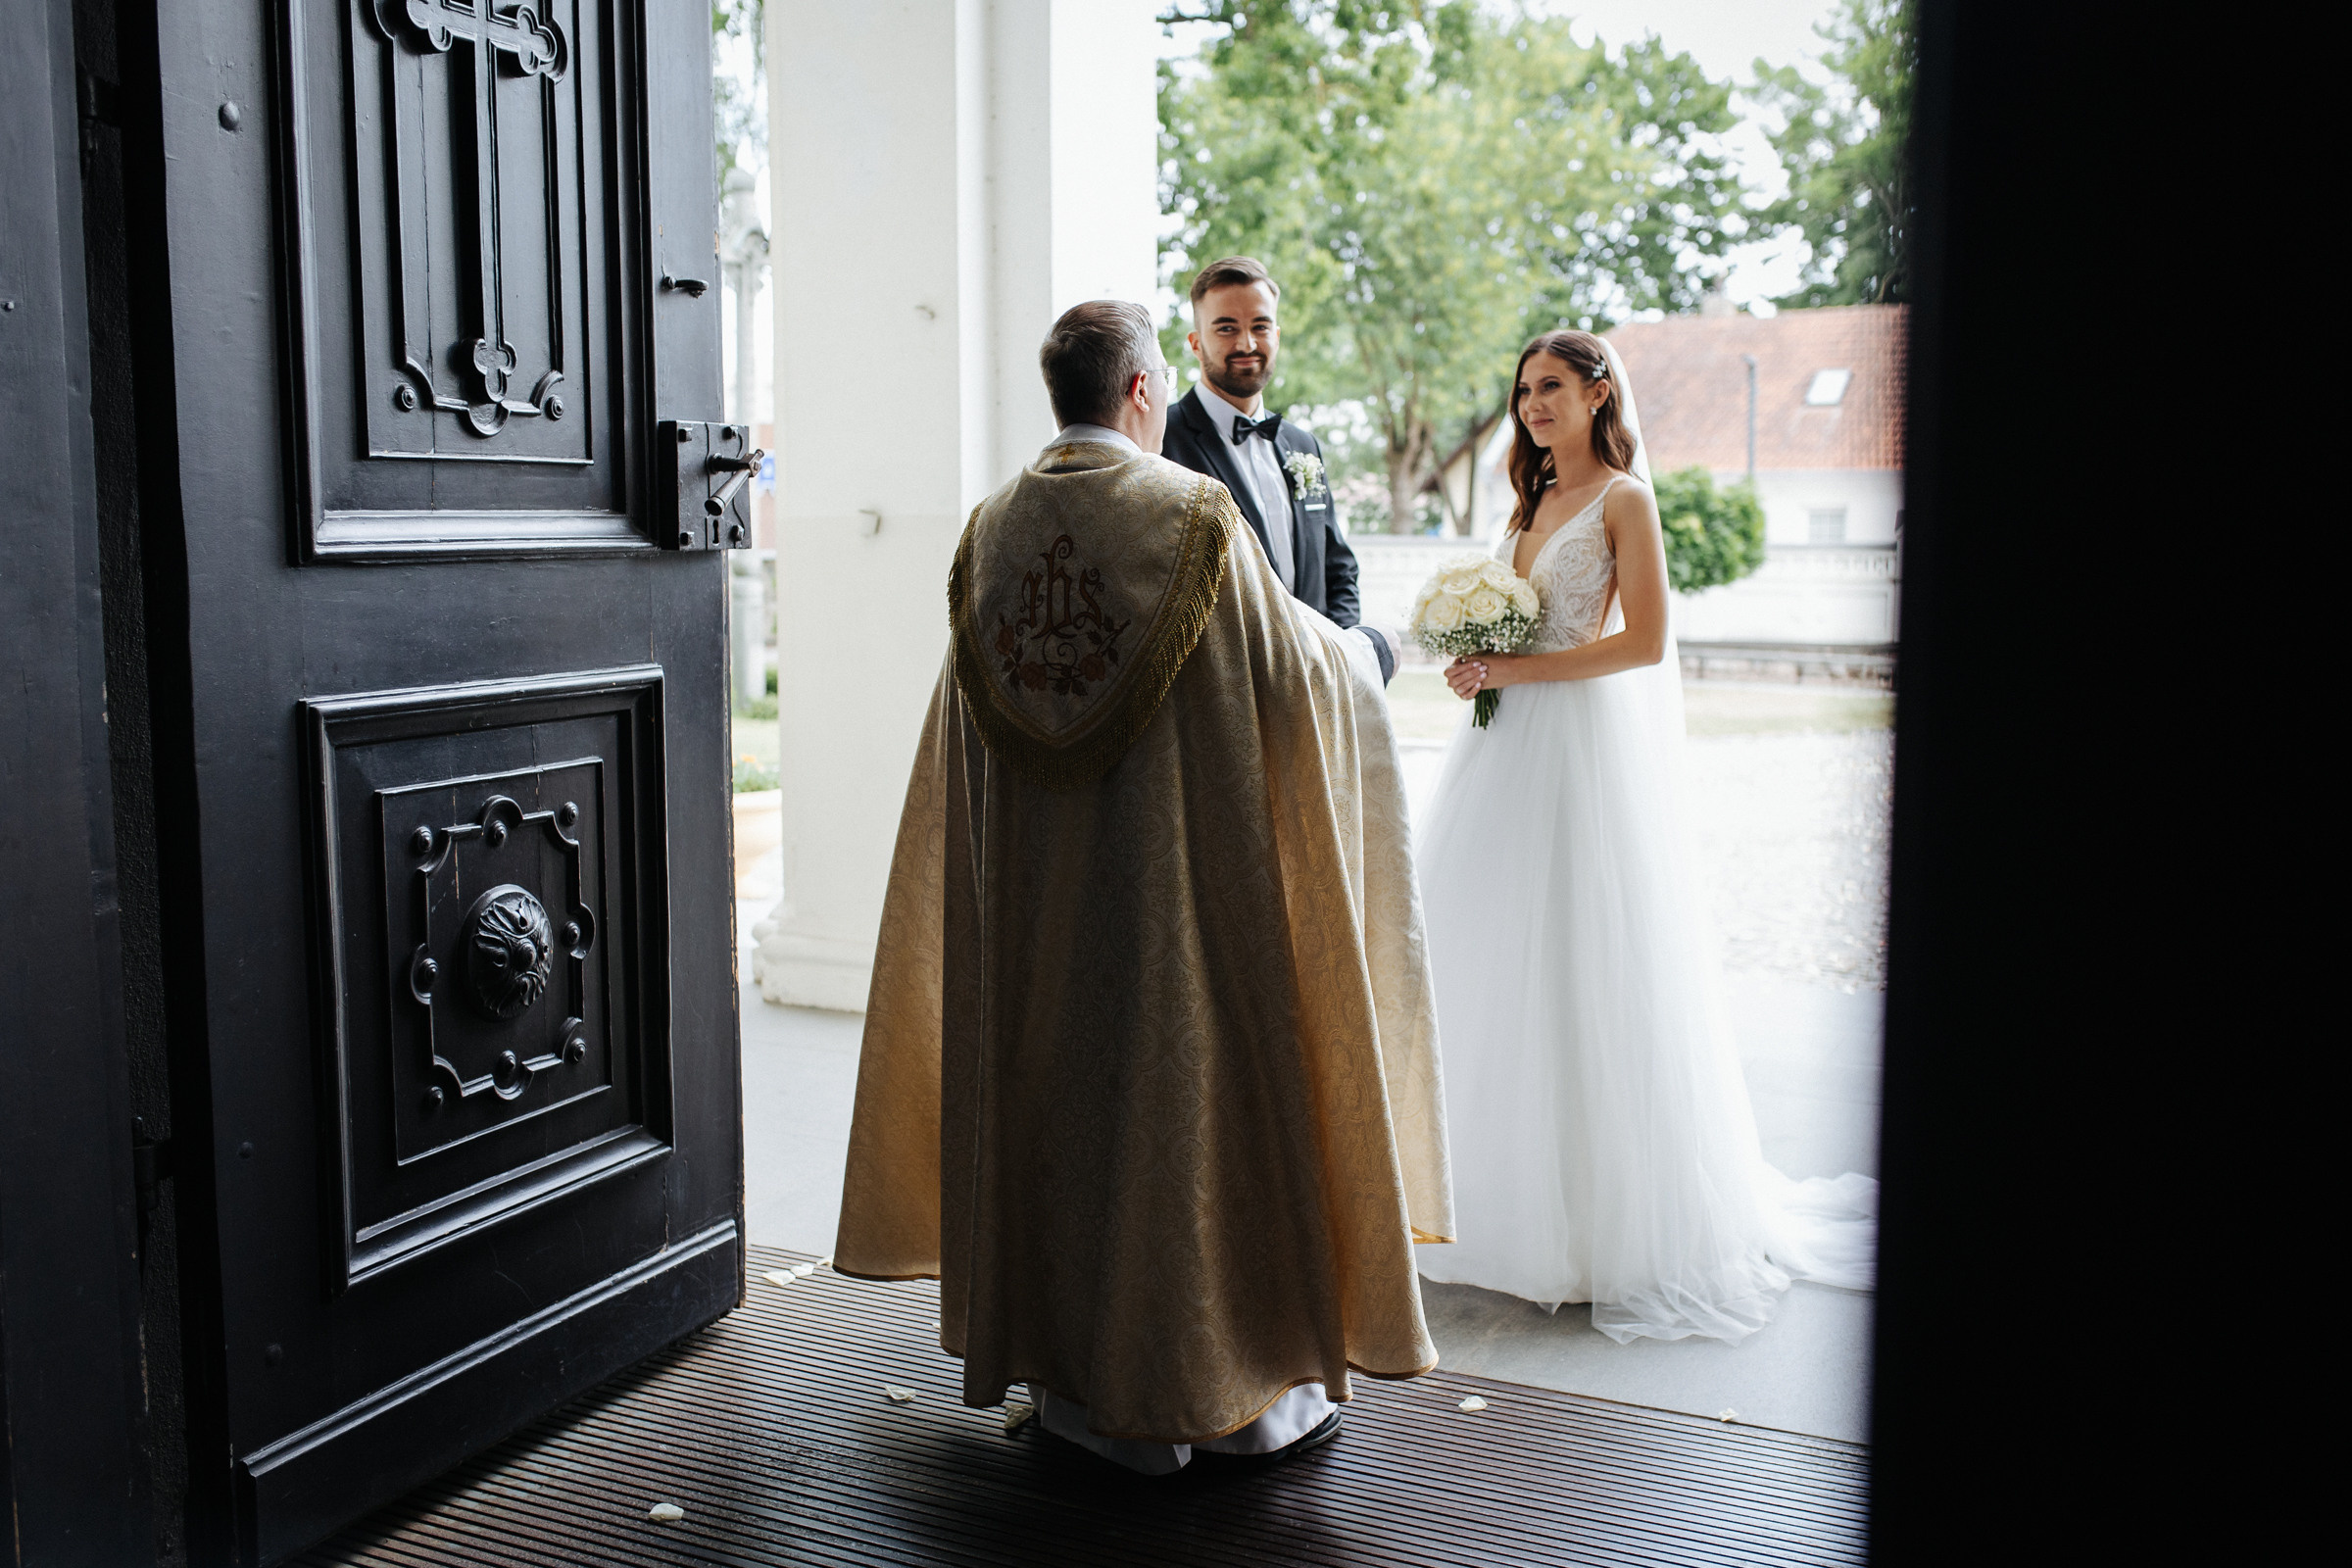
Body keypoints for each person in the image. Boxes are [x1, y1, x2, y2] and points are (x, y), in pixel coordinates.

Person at [834, 300, 1453, 1473]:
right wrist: (1370, 659)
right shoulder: (1197, 519)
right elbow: (1294, 671)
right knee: (1191, 1117)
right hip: (1175, 912)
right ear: (1138, 393)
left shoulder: (988, 532)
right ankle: (1227, 1397)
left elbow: (958, 738)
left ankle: (1076, 1395)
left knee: (1064, 1113)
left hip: (1037, 921)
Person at [1410, 328, 1875, 1345]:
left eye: (1553, 387)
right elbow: (1516, 631)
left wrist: (1515, 670)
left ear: (1597, 392)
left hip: (1579, 752)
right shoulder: (1524, 504)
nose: (1533, 404)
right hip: (1502, 753)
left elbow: (1647, 640)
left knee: (1586, 962)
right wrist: (1476, 660)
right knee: (1485, 957)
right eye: (1524, 389)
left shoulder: (1625, 497)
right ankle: (1480, 1203)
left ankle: (1593, 1231)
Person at [1159, 256, 1397, 684]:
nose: (1248, 343)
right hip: (1223, 689)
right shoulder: (1164, 442)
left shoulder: (1303, 446)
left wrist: (1341, 655)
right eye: (1227, 327)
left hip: (1318, 682)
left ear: (1278, 335)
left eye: (1261, 326)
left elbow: (1338, 566)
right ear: (1195, 343)